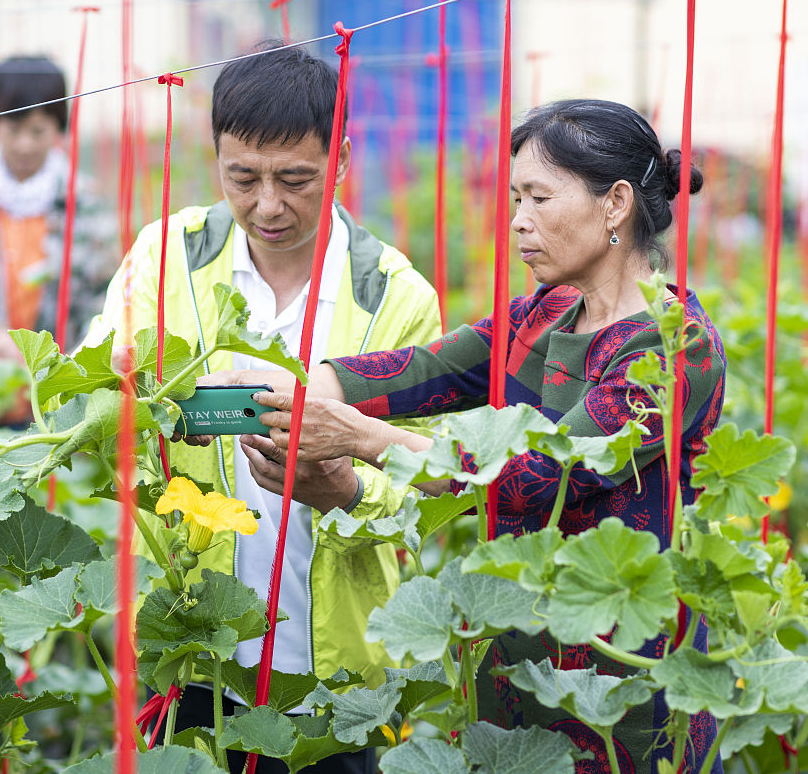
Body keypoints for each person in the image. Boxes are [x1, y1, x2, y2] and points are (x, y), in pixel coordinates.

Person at [226, 99, 725, 774]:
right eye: (516, 197)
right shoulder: (545, 312)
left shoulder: (675, 347)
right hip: (512, 670)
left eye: (540, 198)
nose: (518, 220)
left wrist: (355, 435)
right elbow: (423, 371)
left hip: (625, 694)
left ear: (615, 204)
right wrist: (290, 387)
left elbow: (534, 477)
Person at [82, 43, 442, 773]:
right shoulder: (165, 256)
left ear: (339, 159)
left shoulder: (398, 299)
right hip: (191, 651)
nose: (267, 205)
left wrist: (350, 490)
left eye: (295, 179)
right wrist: (118, 392)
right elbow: (90, 407)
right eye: (242, 178)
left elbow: (434, 487)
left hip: (342, 675)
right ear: (216, 157)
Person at [0, 55, 115, 418]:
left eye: (38, 131)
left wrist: (72, 366)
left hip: (62, 392)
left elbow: (104, 291)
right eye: (13, 130)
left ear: (59, 129)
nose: (25, 145)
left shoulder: (83, 199)